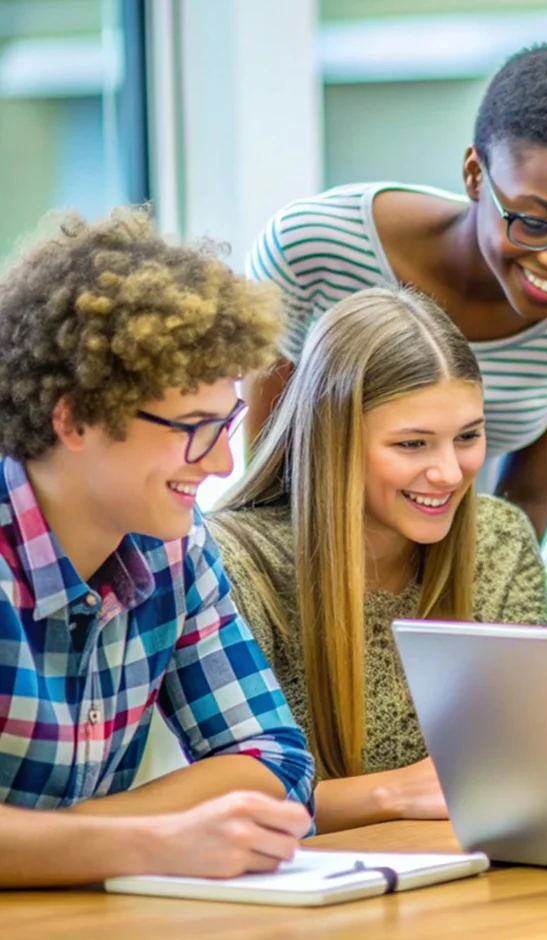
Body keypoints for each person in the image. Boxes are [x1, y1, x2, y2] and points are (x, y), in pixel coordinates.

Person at [0, 208, 314, 886]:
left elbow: (276, 761)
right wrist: (146, 843)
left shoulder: (174, 545)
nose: (225, 463)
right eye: (196, 427)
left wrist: (70, 844)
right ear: (76, 417)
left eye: (227, 423)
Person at [245, 44, 547, 539]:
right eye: (534, 223)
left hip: (457, 562)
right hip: (309, 556)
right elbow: (266, 477)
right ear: (474, 174)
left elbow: (526, 500)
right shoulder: (312, 249)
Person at [209, 287, 547, 834]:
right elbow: (220, 807)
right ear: (332, 439)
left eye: (468, 436)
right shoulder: (230, 563)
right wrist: (394, 793)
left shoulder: (500, 539)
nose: (448, 472)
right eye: (412, 445)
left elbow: (534, 765)